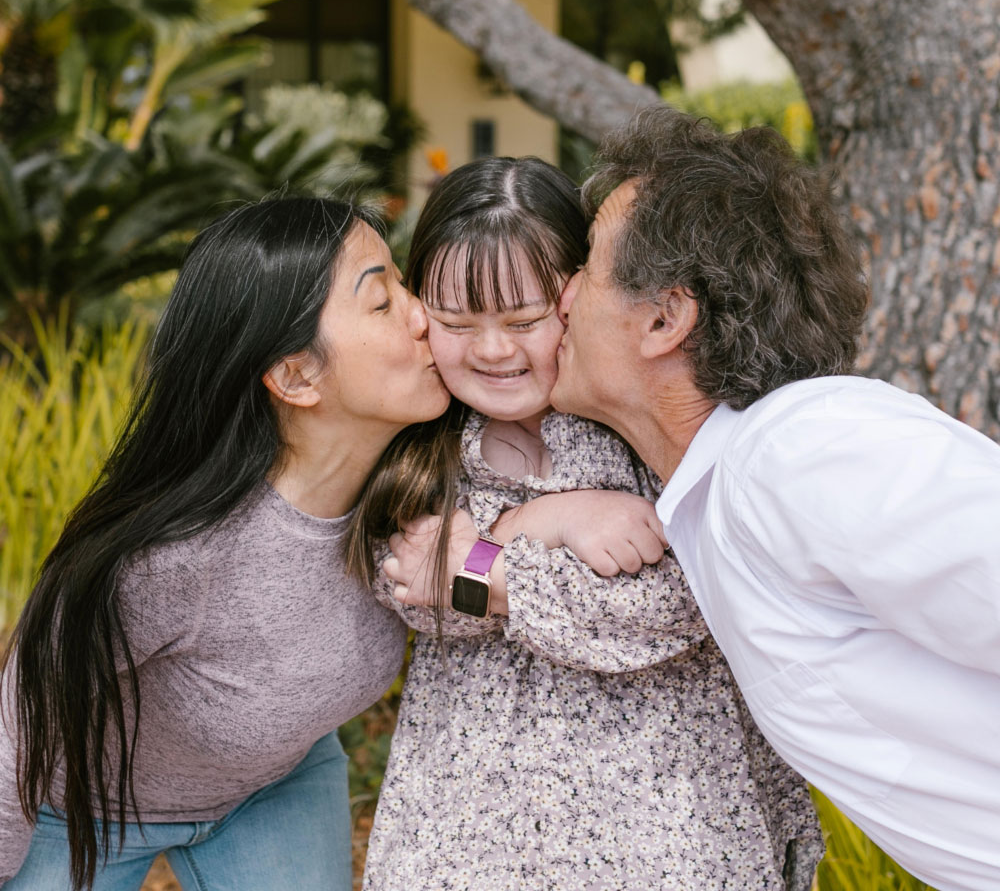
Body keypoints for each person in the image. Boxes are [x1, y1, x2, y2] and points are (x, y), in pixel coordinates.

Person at [537, 109, 999, 891]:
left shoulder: (799, 452)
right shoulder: (726, 488)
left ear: (663, 318)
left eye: (584, 264)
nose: (560, 293)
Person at [351, 156, 823, 891]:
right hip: (469, 825)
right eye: (455, 322)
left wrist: (484, 565)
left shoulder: (635, 426)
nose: (493, 350)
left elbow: (670, 604)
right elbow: (411, 579)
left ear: (577, 297)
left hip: (663, 812)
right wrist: (542, 521)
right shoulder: (424, 441)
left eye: (524, 320)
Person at [0, 196, 451, 890]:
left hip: (274, 788)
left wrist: (565, 521)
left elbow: (531, 510)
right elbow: (19, 725)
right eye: (382, 300)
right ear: (296, 376)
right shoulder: (171, 558)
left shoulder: (428, 477)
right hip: (80, 806)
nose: (425, 313)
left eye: (403, 282)